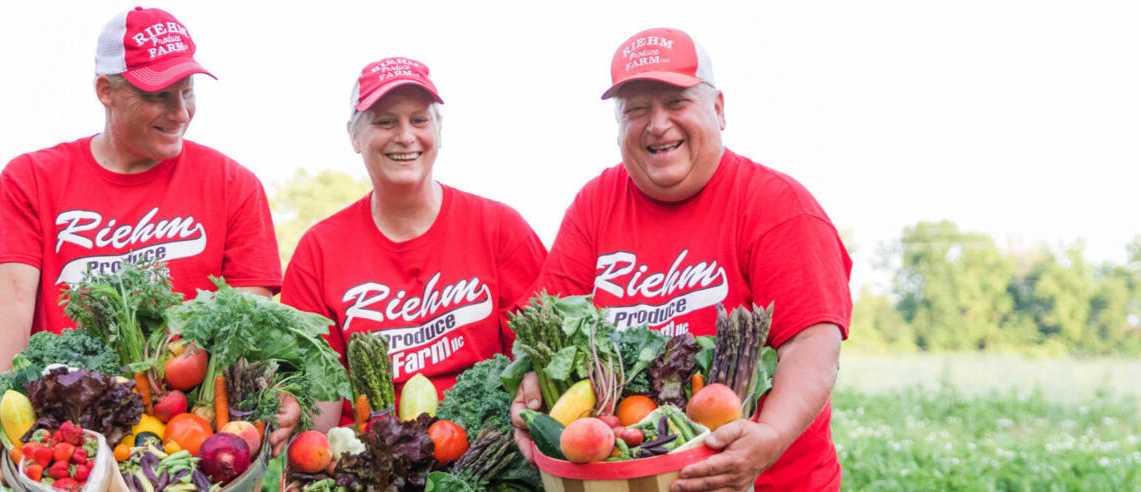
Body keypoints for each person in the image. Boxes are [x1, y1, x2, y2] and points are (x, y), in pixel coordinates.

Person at [509, 28, 852, 491]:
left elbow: (812, 345)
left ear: (719, 109)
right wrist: (531, 387)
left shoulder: (778, 205)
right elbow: (545, 324)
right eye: (636, 109)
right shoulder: (596, 203)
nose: (657, 124)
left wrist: (769, 437)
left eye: (676, 103)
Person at [0, 7, 284, 482]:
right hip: (67, 454)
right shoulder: (33, 179)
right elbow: (9, 296)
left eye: (187, 91)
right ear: (106, 90)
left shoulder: (232, 185)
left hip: (194, 455)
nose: (181, 112)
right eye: (159, 95)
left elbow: (249, 323)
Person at [281, 57, 547, 431]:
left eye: (419, 120)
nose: (405, 136)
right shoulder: (319, 251)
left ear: (438, 132)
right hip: (374, 463)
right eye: (386, 121)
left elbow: (535, 359)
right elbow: (319, 397)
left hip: (489, 452)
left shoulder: (500, 228)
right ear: (354, 136)